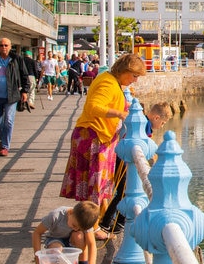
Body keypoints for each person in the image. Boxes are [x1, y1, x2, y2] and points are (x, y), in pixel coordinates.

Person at [60, 53, 145, 236]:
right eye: (135, 76)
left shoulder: (111, 81)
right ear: (125, 70)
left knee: (97, 184)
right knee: (95, 184)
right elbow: (93, 107)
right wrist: (120, 114)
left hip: (99, 136)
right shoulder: (107, 82)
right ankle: (92, 227)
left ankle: (92, 222)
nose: (135, 80)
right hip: (94, 136)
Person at [99, 100, 173, 234]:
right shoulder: (144, 126)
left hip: (123, 159)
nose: (161, 126)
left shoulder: (143, 123)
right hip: (124, 161)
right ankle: (111, 222)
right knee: (124, 191)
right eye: (162, 123)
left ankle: (113, 221)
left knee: (123, 191)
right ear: (156, 117)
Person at [31, 200, 100, 264]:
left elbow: (91, 244)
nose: (75, 229)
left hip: (72, 239)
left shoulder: (84, 220)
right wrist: (37, 256)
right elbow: (37, 233)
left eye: (79, 228)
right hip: (55, 238)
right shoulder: (56, 216)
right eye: (74, 225)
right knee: (56, 249)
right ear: (70, 212)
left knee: (79, 235)